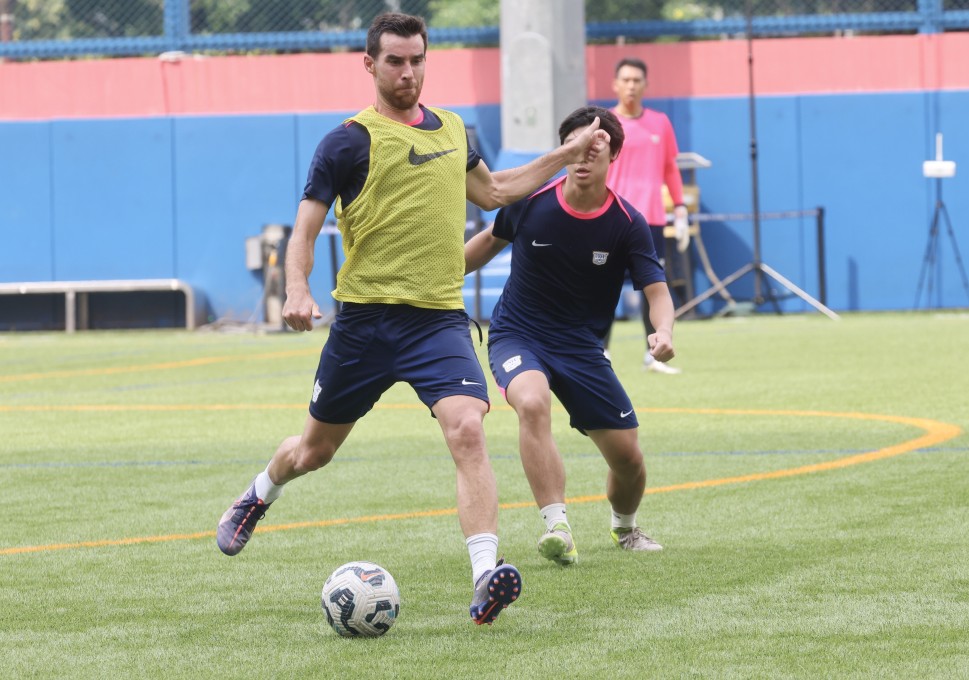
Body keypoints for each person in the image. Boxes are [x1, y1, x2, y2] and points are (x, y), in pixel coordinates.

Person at [215, 12, 610, 626]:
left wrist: (565, 153)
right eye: (395, 61)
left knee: (469, 431)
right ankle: (260, 492)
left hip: (437, 323)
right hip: (364, 325)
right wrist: (297, 287)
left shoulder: (453, 130)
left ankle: (486, 578)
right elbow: (307, 228)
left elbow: (499, 191)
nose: (408, 72)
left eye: (417, 59)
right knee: (314, 451)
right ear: (370, 64)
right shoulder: (346, 141)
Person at [464, 105, 676, 566]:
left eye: (594, 147)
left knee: (628, 458)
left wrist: (662, 331)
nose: (583, 157)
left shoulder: (627, 224)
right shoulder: (531, 202)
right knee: (532, 401)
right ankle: (557, 525)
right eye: (574, 147)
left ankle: (625, 527)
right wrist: (429, 277)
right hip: (518, 333)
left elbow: (657, 291)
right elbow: (483, 245)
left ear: (613, 154)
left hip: (581, 347)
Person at [604, 57, 689, 375]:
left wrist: (679, 207)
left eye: (636, 80)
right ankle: (601, 352)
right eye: (625, 79)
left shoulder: (660, 122)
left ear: (645, 85)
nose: (630, 85)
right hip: (612, 217)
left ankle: (653, 354)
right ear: (615, 84)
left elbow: (670, 168)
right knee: (603, 288)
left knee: (653, 287)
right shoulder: (605, 122)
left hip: (650, 219)